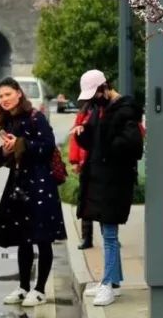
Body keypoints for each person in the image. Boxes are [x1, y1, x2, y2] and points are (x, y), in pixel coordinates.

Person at [0, 77, 67, 308]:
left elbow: (48, 145)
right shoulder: (9, 121)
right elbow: (7, 155)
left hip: (41, 183)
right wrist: (6, 149)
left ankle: (40, 289)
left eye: (8, 95)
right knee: (23, 238)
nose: (4, 100)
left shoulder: (36, 117)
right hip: (19, 183)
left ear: (19, 94)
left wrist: (21, 144)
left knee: (42, 238)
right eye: (0, 96)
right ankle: (23, 287)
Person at [71, 69, 144, 307]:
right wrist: (83, 135)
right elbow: (95, 140)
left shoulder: (125, 111)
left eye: (95, 95)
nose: (93, 101)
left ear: (105, 87)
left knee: (110, 236)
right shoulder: (99, 109)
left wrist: (106, 143)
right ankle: (113, 282)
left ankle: (106, 284)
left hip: (115, 181)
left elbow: (132, 145)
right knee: (107, 233)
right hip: (101, 180)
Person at [68, 99, 95, 249]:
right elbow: (75, 137)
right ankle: (87, 237)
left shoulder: (107, 109)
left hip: (100, 162)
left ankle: (110, 235)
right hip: (86, 162)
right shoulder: (84, 112)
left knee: (104, 201)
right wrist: (76, 161)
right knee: (84, 200)